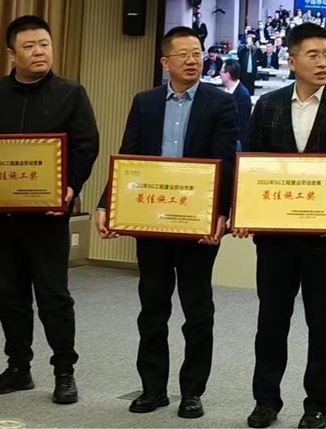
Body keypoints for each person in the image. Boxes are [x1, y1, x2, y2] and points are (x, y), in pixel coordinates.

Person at [0, 15, 99, 404]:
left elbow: (86, 146)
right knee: (9, 294)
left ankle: (64, 372)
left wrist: (70, 188)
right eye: (29, 46)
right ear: (11, 54)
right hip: (3, 217)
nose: (39, 52)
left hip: (48, 217)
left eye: (44, 44)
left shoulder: (71, 93)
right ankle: (18, 368)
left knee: (54, 297)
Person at [234, 22, 326, 429]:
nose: (323, 62)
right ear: (292, 61)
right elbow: (253, 164)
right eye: (313, 55)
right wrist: (246, 209)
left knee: (323, 324)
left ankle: (318, 405)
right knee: (271, 321)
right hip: (276, 237)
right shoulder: (268, 105)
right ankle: (266, 401)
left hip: (325, 237)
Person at [95, 26, 237, 419]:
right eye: (184, 54)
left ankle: (192, 392)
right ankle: (153, 389)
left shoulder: (220, 103)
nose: (193, 60)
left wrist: (222, 214)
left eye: (198, 53)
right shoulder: (146, 102)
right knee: (152, 308)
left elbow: (226, 161)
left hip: (197, 224)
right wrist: (108, 204)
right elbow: (129, 156)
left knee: (197, 310)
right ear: (165, 61)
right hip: (153, 221)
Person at [221, 58, 252, 149]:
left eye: (221, 72)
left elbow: (242, 126)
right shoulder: (225, 92)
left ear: (227, 75)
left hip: (234, 144)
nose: (220, 74)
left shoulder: (243, 95)